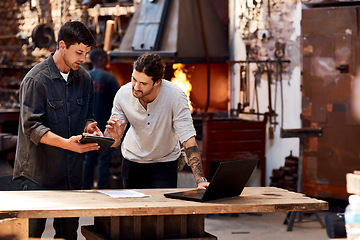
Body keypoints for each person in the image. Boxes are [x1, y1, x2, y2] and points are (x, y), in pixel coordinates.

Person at [13, 21, 101, 240]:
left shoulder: (84, 79)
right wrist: (67, 144)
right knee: (31, 235)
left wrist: (89, 127)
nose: (83, 58)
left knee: (68, 235)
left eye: (86, 53)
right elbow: (32, 127)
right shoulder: (36, 80)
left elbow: (87, 115)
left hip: (70, 174)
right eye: (79, 52)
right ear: (62, 45)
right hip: (37, 175)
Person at [105, 53, 210, 189]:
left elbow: (189, 141)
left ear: (157, 82)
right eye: (134, 79)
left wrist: (200, 180)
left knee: (163, 208)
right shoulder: (123, 94)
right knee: (135, 209)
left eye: (143, 83)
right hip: (132, 162)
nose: (136, 87)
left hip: (165, 163)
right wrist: (115, 139)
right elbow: (114, 142)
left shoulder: (175, 96)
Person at [82, 48, 119, 189]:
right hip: (105, 126)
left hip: (87, 126)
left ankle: (85, 188)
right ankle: (102, 189)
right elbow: (119, 101)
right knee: (104, 158)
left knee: (88, 158)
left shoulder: (85, 76)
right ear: (103, 60)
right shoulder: (109, 78)